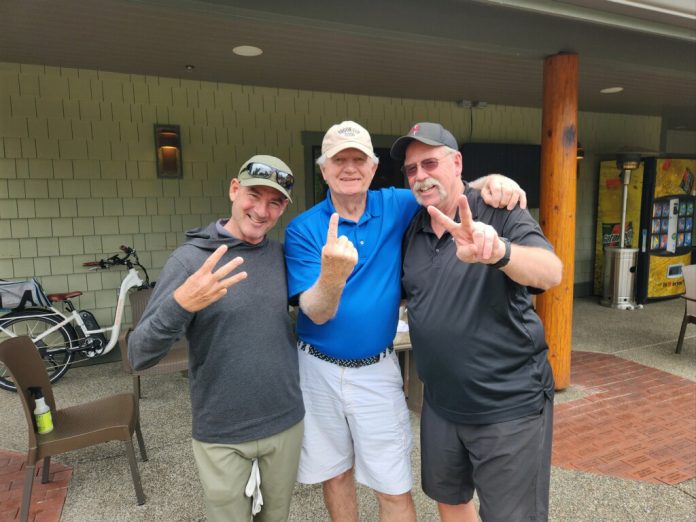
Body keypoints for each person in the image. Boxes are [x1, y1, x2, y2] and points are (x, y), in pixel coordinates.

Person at [283, 121, 527, 521]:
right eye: (338, 160)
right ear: (323, 169)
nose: (349, 168)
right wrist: (332, 275)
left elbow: (442, 186)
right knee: (336, 474)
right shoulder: (304, 229)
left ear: (374, 167)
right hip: (318, 370)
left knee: (392, 483)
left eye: (358, 159)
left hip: (376, 369)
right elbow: (317, 311)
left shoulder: (395, 204)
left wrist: (493, 181)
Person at [392, 122, 563, 522]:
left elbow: (551, 271)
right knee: (449, 500)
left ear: (457, 163)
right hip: (441, 403)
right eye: (412, 169)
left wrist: (499, 252)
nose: (420, 176)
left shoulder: (499, 211)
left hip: (508, 404)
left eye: (430, 163)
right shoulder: (413, 227)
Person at [128, 155, 304, 522]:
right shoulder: (191, 261)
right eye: (254, 195)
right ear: (233, 189)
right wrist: (181, 304)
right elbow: (137, 355)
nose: (262, 210)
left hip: (284, 421)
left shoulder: (281, 256)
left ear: (284, 207)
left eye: (275, 202)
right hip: (222, 429)